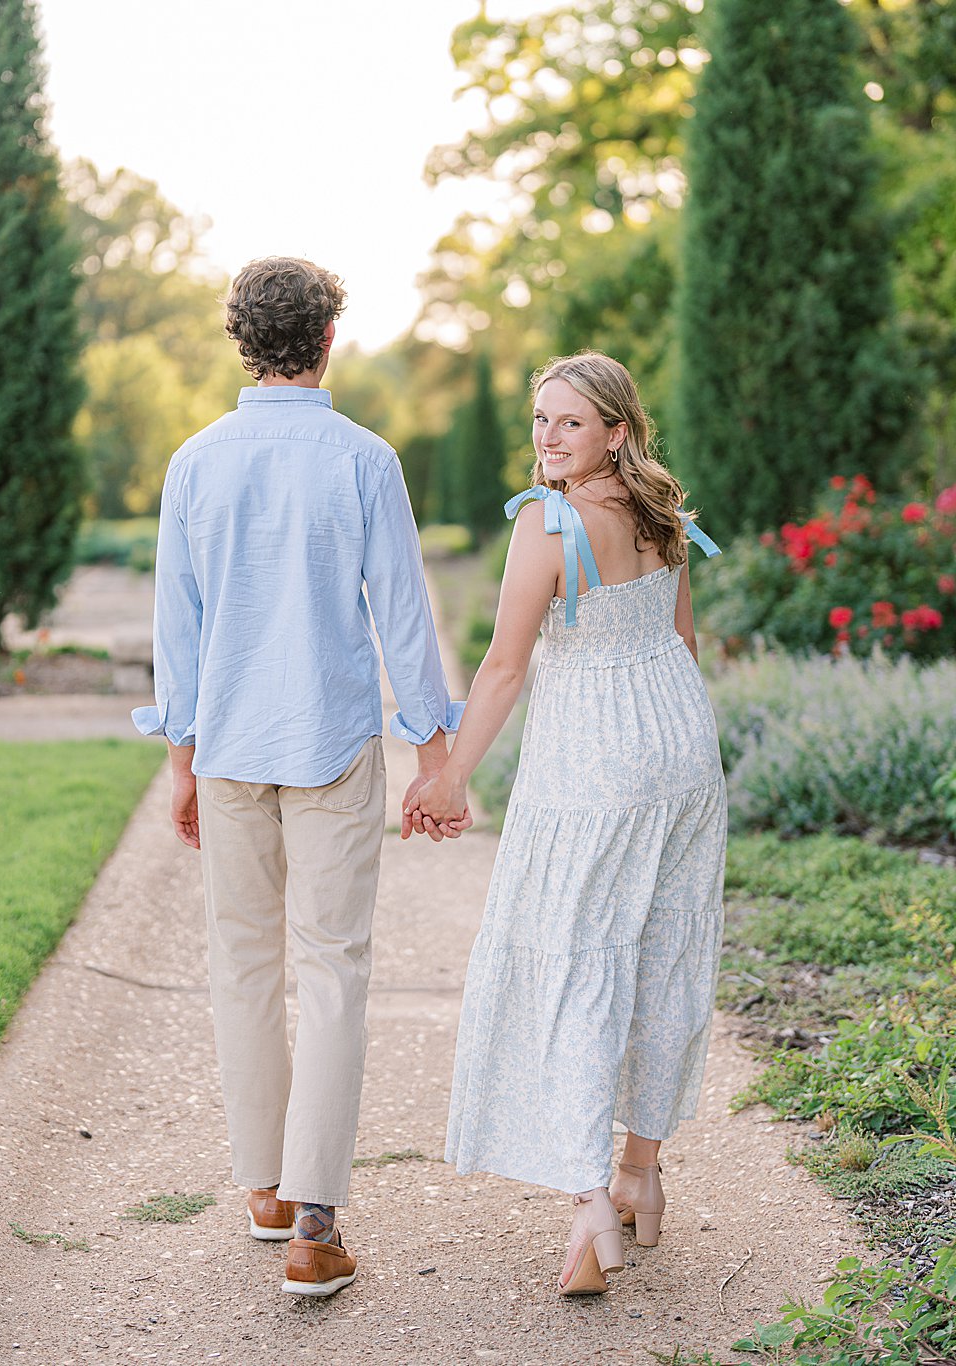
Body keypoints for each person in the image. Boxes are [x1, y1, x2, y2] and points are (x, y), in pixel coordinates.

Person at [133, 255, 467, 1299]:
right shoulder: (363, 460)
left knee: (241, 963)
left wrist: (179, 759)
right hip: (329, 745)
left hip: (229, 747)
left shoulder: (195, 461)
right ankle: (314, 1225)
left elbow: (174, 628)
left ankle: (265, 1187)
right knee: (331, 970)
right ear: (327, 338)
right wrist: (433, 748)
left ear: (242, 339)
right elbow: (401, 614)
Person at [408, 350, 725, 1296]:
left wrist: (452, 774)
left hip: (595, 759)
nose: (548, 438)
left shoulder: (548, 522)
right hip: (681, 746)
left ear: (615, 432)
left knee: (576, 962)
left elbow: (505, 669)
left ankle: (591, 1204)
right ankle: (641, 1172)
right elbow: (684, 641)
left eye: (571, 423)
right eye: (541, 420)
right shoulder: (661, 511)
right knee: (663, 952)